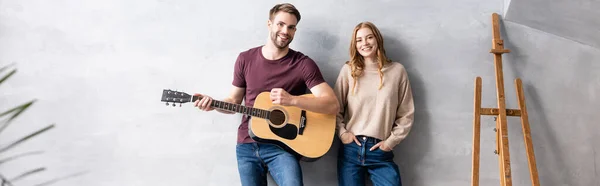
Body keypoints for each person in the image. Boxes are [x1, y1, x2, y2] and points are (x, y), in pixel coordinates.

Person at [194, 3, 339, 186]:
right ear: (269, 24)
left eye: (291, 27)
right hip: (246, 145)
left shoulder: (303, 64)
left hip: (282, 147)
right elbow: (233, 101)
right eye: (280, 24)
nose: (285, 31)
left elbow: (332, 104)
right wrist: (213, 104)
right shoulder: (245, 59)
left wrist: (293, 100)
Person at [334, 21, 415, 186]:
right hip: (351, 149)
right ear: (355, 45)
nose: (365, 43)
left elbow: (406, 114)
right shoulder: (348, 71)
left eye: (369, 37)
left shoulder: (397, 71)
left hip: (380, 151)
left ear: (377, 39)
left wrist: (390, 142)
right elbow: (334, 109)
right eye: (359, 40)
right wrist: (342, 133)